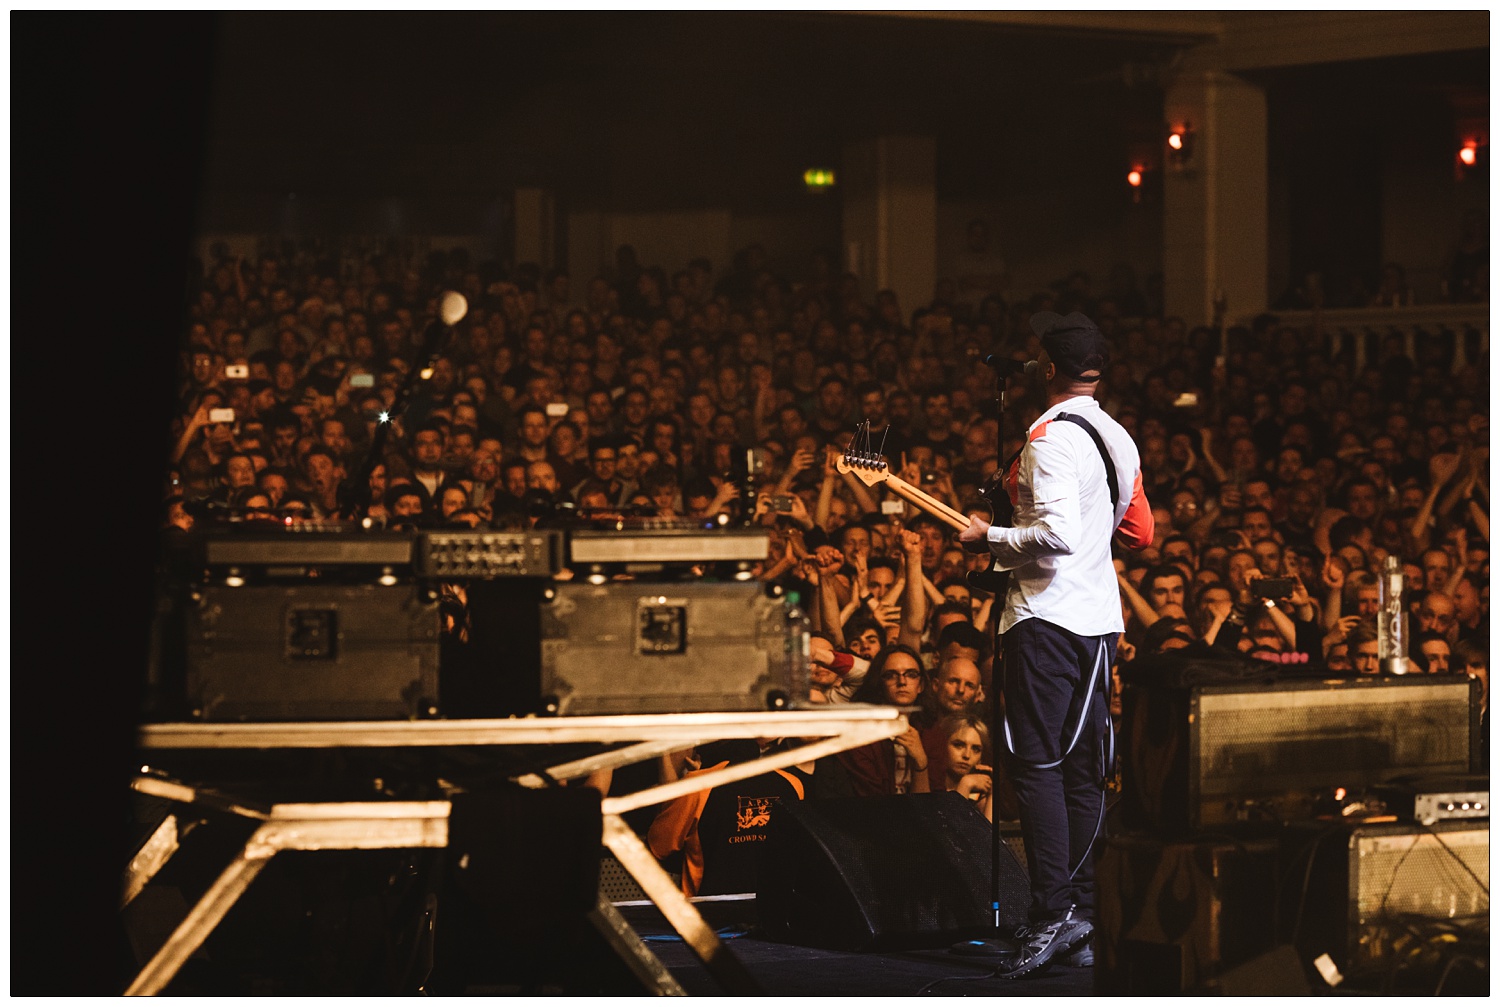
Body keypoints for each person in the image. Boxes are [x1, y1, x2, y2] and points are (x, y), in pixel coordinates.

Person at [957, 311, 1153, 978]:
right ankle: (1080, 910)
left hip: (1045, 617)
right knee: (1080, 772)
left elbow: (1058, 535)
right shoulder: (1120, 438)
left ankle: (1050, 914)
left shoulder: (1047, 439)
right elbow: (1140, 534)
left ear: (1047, 368)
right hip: (1099, 621)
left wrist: (988, 537)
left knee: (1036, 766)